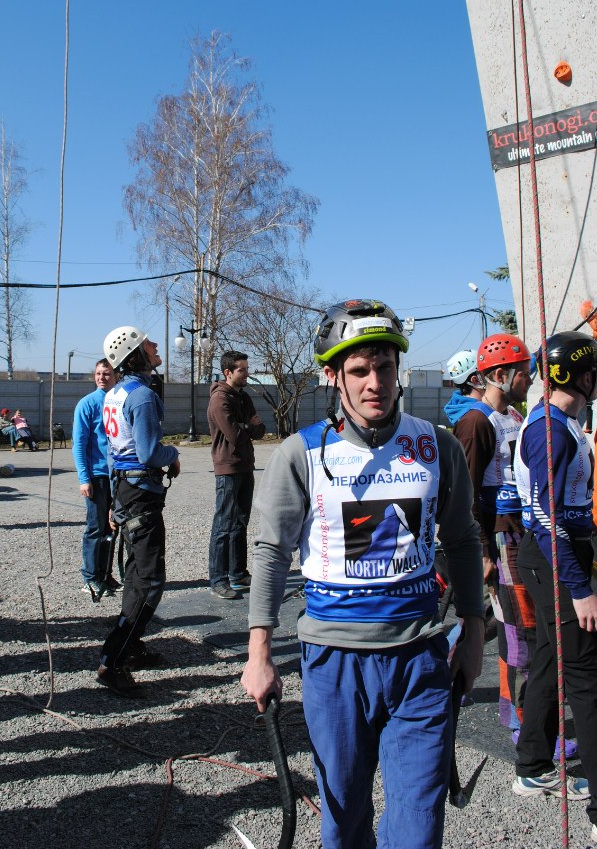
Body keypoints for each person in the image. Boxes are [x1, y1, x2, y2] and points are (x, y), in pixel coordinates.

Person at [241, 299, 484, 849]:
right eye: (358, 370)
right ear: (333, 377)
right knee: (344, 818)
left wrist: (472, 633)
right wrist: (259, 653)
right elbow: (271, 552)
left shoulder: (436, 445)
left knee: (419, 828)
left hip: (420, 660)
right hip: (334, 663)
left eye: (385, 366)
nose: (375, 382)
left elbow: (464, 541)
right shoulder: (300, 453)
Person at [512, 331, 597, 832]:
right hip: (554, 558)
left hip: (554, 554)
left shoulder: (562, 421)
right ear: (580, 375)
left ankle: (533, 764)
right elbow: (545, 514)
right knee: (587, 678)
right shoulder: (552, 430)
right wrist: (580, 587)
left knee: (548, 657)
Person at [451, 333, 534, 738]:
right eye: (525, 373)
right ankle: (520, 716)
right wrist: (481, 550)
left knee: (505, 621)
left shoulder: (515, 417)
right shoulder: (475, 422)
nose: (531, 379)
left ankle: (450, 665)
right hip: (499, 538)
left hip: (521, 533)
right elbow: (464, 493)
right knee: (518, 626)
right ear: (500, 375)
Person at [96, 324, 180, 696]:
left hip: (126, 491)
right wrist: (173, 455)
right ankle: (112, 661)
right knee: (149, 582)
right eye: (148, 342)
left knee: (134, 572)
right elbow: (148, 452)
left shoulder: (115, 392)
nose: (156, 343)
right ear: (135, 353)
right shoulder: (141, 396)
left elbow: (118, 447)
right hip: (140, 493)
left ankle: (132, 646)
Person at [207, 350, 266, 599]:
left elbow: (261, 429)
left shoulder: (243, 397)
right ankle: (218, 579)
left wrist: (250, 427)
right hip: (228, 468)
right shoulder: (220, 400)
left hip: (245, 465)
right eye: (242, 370)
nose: (247, 373)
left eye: (247, 368)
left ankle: (238, 572)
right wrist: (248, 426)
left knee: (241, 522)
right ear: (228, 372)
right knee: (224, 524)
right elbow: (235, 435)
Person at [72, 357, 120, 601]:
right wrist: (84, 477)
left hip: (117, 475)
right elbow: (78, 444)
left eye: (107, 373)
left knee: (112, 527)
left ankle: (106, 574)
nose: (102, 377)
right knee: (95, 527)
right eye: (99, 373)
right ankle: (90, 577)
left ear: (116, 376)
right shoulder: (87, 404)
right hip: (97, 476)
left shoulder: (118, 402)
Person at [442, 348, 485, 427]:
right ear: (475, 380)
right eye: (486, 373)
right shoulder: (475, 417)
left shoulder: (461, 410)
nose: (491, 376)